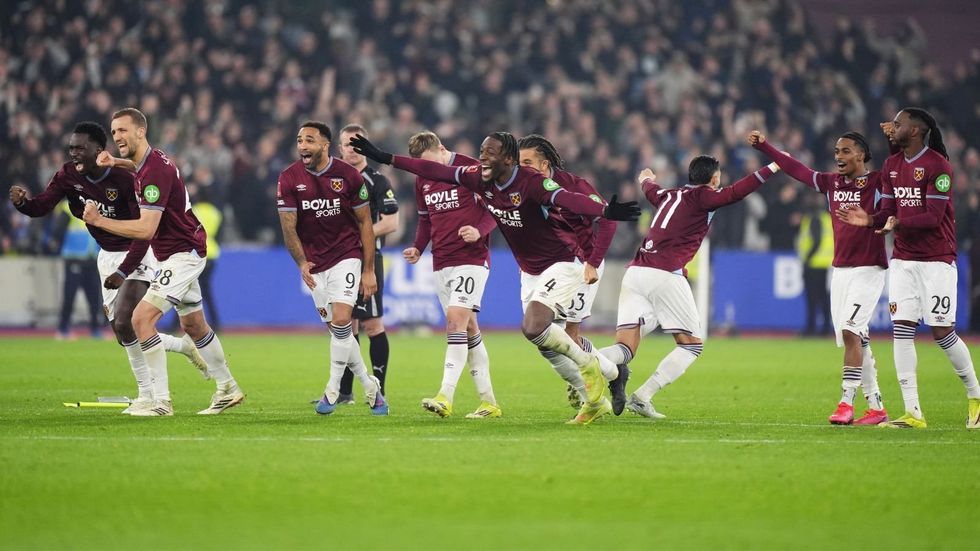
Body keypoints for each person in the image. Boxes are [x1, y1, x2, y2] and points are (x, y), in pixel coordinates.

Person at [349, 131, 639, 425]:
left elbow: (567, 198)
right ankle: (605, 385)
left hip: (562, 263)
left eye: (490, 153)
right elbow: (433, 170)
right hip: (529, 271)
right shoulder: (480, 177)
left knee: (534, 326)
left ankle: (590, 366)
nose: (483, 158)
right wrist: (384, 157)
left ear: (509, 160)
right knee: (544, 343)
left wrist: (604, 210)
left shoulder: (531, 181)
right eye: (482, 151)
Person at [10, 121, 207, 412]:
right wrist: (23, 204)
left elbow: (142, 231)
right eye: (71, 148)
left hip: (139, 253)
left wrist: (124, 271)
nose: (74, 154)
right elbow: (42, 206)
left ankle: (152, 397)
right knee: (121, 330)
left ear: (99, 150)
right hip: (108, 255)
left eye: (81, 148)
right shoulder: (67, 175)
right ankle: (182, 347)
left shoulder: (124, 180)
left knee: (130, 319)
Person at [83, 108, 244, 417]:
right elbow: (138, 168)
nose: (116, 137)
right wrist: (117, 162)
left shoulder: (154, 172)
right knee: (193, 325)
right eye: (114, 132)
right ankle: (228, 387)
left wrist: (100, 220)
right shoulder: (150, 163)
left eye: (123, 131)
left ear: (141, 131)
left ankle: (160, 402)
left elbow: (145, 229)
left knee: (140, 319)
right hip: (177, 251)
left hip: (183, 254)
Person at [601, 145, 781, 420]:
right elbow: (737, 192)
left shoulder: (669, 194)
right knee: (691, 345)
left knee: (625, 349)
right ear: (714, 178)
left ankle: (582, 362)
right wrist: (772, 167)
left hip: (636, 271)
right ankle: (643, 396)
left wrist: (645, 178)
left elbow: (651, 189)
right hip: (664, 273)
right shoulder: (704, 197)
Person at [837, 107, 980, 429]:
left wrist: (895, 222)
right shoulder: (891, 165)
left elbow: (932, 216)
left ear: (914, 131)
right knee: (901, 331)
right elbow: (887, 210)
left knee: (943, 333)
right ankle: (913, 413)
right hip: (903, 260)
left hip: (937, 261)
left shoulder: (938, 166)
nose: (892, 128)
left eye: (898, 124)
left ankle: (976, 396)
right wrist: (870, 219)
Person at [751, 129, 889, 426]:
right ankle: (876, 406)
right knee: (857, 338)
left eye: (846, 150)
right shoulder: (831, 183)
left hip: (870, 269)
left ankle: (845, 402)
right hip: (840, 272)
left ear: (862, 155)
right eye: (837, 151)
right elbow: (797, 170)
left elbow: (900, 168)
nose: (839, 156)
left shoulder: (878, 182)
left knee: (852, 330)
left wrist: (893, 140)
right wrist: (765, 147)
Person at [276, 121, 387, 416]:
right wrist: (302, 263)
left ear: (325, 145)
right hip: (315, 263)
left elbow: (365, 224)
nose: (302, 146)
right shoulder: (288, 178)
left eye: (309, 140)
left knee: (341, 321)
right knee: (339, 334)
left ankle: (332, 390)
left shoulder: (348, 176)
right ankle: (371, 387)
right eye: (299, 140)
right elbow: (288, 228)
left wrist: (368, 269)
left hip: (346, 255)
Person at [516, 134, 628, 414]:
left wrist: (593, 261)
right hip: (546, 265)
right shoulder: (521, 186)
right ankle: (611, 373)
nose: (521, 168)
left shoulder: (572, 186)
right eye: (519, 163)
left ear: (544, 164)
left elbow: (608, 221)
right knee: (542, 337)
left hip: (581, 265)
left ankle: (597, 387)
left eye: (527, 162)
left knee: (570, 336)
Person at [403, 130, 501, 418]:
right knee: (469, 328)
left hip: (471, 259)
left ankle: (445, 395)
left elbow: (497, 209)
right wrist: (418, 248)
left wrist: (478, 231)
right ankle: (489, 402)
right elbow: (425, 220)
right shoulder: (422, 179)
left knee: (455, 322)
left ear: (442, 148)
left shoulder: (472, 169)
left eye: (431, 164)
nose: (428, 171)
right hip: (441, 261)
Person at [336, 124, 399, 403]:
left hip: (368, 260)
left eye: (356, 143)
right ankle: (345, 392)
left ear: (365, 145)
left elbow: (391, 221)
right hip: (340, 260)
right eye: (346, 144)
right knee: (347, 325)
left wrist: (360, 235)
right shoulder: (333, 180)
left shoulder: (377, 180)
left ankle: (379, 391)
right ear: (339, 149)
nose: (351, 148)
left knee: (373, 325)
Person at [53, 200, 104, 340]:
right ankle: (63, 329)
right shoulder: (67, 207)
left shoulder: (96, 206)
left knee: (95, 297)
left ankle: (95, 329)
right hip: (74, 258)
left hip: (91, 258)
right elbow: (57, 231)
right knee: (70, 295)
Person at [798, 193, 834, 336]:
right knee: (823, 298)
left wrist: (807, 259)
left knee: (812, 298)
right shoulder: (826, 218)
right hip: (824, 264)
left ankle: (811, 328)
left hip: (814, 265)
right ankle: (825, 328)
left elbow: (816, 241)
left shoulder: (814, 218)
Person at [191, 186, 222, 332]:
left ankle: (178, 323)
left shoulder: (194, 210)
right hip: (213, 252)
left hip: (197, 252)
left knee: (188, 288)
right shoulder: (216, 212)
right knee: (206, 290)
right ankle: (216, 322)